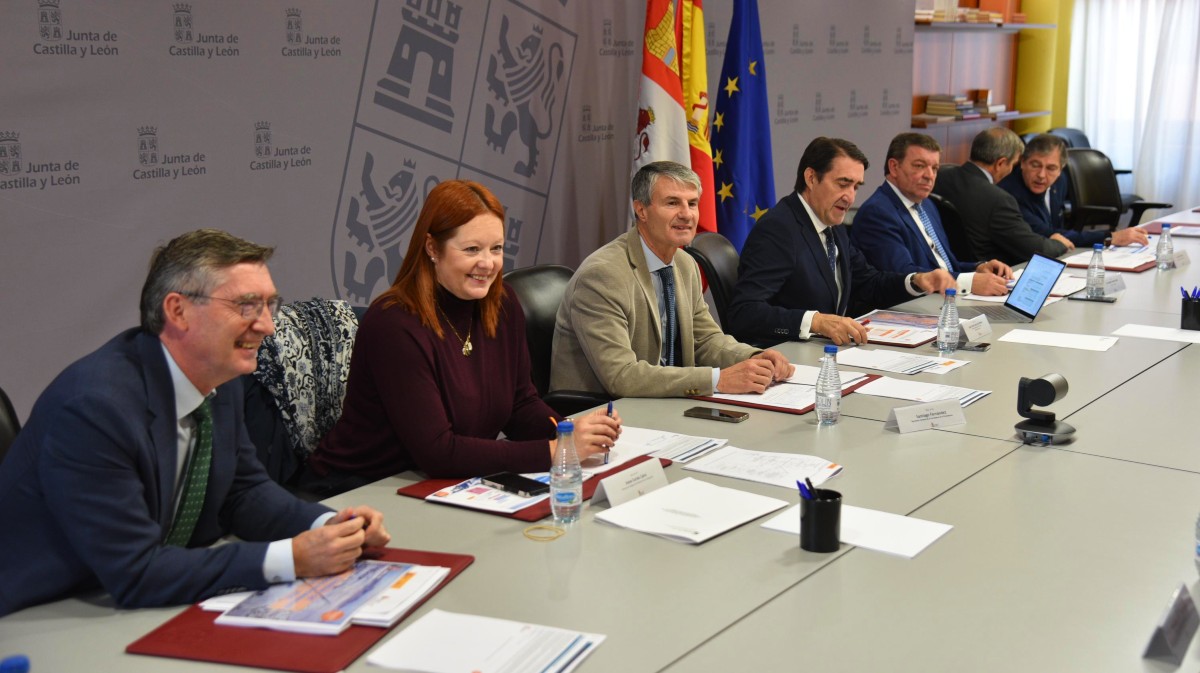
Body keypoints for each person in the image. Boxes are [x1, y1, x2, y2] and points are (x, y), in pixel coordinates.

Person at [0, 229, 389, 617]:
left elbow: (244, 492)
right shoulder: (94, 409)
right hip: (43, 614)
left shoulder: (221, 377)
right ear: (178, 311)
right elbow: (135, 572)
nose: (268, 325)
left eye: (270, 304)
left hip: (134, 601)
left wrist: (332, 526)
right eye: (247, 305)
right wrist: (292, 558)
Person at [309, 180, 621, 488]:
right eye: (472, 249)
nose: (487, 263)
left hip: (443, 483)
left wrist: (567, 432)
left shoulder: (503, 304)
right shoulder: (393, 323)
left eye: (496, 248)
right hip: (364, 487)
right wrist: (555, 452)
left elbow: (520, 405)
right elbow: (438, 452)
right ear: (432, 248)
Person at [550, 161, 794, 398]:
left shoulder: (685, 264)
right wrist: (717, 380)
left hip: (664, 400)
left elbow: (705, 339)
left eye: (692, 203)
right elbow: (621, 376)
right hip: (605, 411)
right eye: (672, 203)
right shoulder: (603, 275)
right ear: (641, 210)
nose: (686, 214)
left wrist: (754, 358)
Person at [726, 137, 956, 347]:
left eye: (856, 186)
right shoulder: (779, 229)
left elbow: (868, 283)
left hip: (831, 350)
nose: (850, 197)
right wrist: (815, 321)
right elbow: (744, 312)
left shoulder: (831, 225)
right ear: (811, 178)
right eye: (842, 184)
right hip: (786, 356)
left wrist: (916, 281)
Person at [852, 133, 1013, 296]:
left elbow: (945, 266)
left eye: (934, 168)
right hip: (910, 305)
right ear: (894, 167)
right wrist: (969, 282)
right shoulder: (877, 213)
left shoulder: (927, 204)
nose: (929, 175)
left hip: (944, 298)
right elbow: (904, 276)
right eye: (919, 166)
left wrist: (978, 268)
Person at [932, 127, 1069, 266]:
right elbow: (1034, 249)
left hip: (945, 265)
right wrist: (1059, 244)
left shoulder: (940, 176)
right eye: (1013, 164)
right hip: (989, 270)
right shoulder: (998, 200)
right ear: (1000, 163)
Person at [998, 133, 1149, 249]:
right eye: (1035, 165)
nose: (1042, 175)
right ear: (1022, 163)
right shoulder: (1008, 194)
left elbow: (1058, 231)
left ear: (1061, 169)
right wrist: (1111, 237)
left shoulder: (1060, 181)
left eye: (1051, 168)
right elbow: (1047, 234)